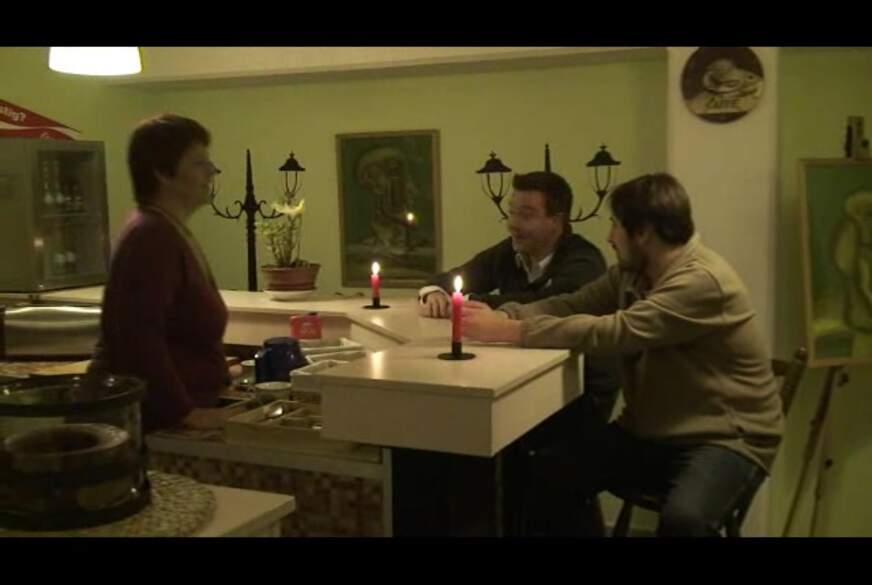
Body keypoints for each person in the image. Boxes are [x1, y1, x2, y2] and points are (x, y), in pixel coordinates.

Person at [462, 172, 783, 536]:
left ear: (643, 232)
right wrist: (507, 314)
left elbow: (617, 332)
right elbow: (573, 303)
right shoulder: (633, 273)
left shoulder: (702, 281)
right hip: (653, 432)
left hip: (726, 438)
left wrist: (512, 332)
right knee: (550, 473)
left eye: (615, 224)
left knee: (685, 520)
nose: (609, 237)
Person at [420, 170, 621, 535]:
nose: (513, 223)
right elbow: (453, 277)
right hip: (527, 381)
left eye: (526, 214)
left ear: (557, 221)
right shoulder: (510, 251)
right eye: (511, 212)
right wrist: (434, 291)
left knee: (523, 463)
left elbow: (546, 302)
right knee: (466, 449)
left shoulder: (584, 261)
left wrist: (468, 300)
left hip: (579, 392)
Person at [89, 113, 237, 432]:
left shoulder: (170, 230)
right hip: (150, 425)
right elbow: (138, 340)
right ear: (162, 172)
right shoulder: (151, 236)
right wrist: (184, 413)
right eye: (199, 162)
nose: (211, 171)